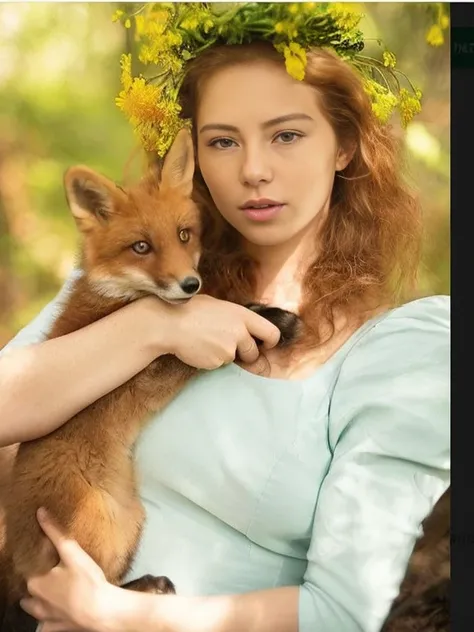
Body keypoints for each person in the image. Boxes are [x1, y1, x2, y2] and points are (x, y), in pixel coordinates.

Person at [0, 4, 449, 632]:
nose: (253, 169)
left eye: (287, 135)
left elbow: (346, 612)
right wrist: (157, 325)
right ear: (195, 158)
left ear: (344, 147)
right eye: (222, 141)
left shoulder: (404, 350)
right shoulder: (135, 283)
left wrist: (118, 613)